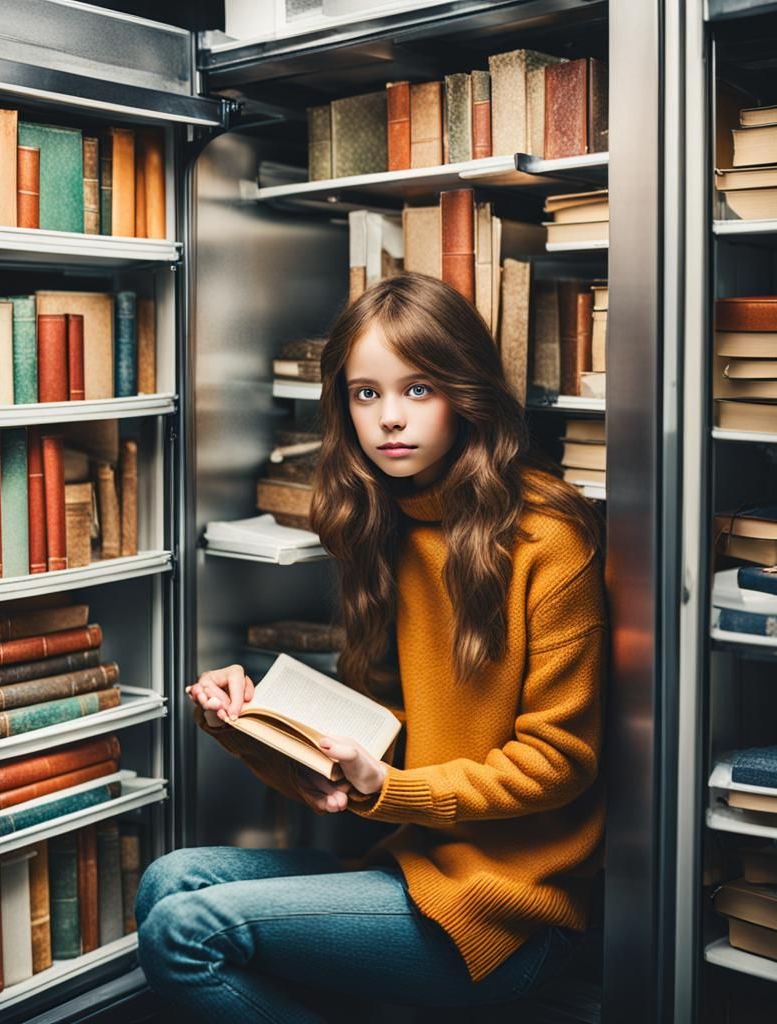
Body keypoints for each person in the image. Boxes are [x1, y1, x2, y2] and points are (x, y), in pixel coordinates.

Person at [135, 272, 607, 1022]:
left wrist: (389, 789)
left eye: (418, 390)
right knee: (169, 881)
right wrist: (249, 726)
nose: (389, 418)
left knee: (185, 932)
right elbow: (370, 753)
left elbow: (560, 763)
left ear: (467, 392)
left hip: (511, 912)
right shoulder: (383, 524)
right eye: (365, 393)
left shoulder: (549, 538)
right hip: (413, 869)